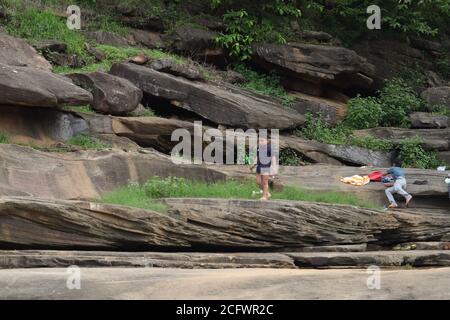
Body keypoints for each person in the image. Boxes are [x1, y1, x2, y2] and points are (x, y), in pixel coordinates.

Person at [250, 136, 276, 201]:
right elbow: (257, 157)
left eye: (262, 140)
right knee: (258, 182)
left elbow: (273, 158)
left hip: (266, 167)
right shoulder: (259, 148)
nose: (260, 142)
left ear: (267, 141)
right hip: (259, 167)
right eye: (259, 141)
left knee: (265, 182)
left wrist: (274, 168)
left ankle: (265, 196)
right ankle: (267, 193)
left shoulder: (269, 148)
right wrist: (253, 165)